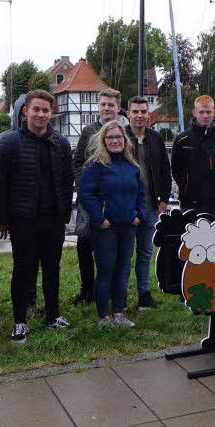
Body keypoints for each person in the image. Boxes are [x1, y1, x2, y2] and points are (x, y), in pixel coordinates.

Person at [0, 90, 74, 343]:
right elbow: (0, 183)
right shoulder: (9, 142)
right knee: (23, 270)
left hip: (52, 218)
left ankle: (53, 315)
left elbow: (67, 179)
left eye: (45, 110)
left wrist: (64, 213)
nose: (40, 114)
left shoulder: (60, 143)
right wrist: (3, 219)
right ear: (25, 111)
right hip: (23, 219)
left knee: (52, 269)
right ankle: (19, 322)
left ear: (52, 113)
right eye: (36, 109)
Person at [79, 121, 146, 327]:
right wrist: (100, 219)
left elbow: (141, 194)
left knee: (122, 269)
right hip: (105, 228)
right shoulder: (96, 165)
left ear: (125, 140)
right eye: (110, 138)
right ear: (103, 140)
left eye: (118, 137)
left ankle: (118, 311)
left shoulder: (132, 166)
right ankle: (104, 316)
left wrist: (139, 215)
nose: (115, 141)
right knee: (106, 269)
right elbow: (86, 194)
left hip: (128, 226)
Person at [71, 88, 124, 305]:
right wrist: (83, 186)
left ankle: (113, 291)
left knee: (113, 248)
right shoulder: (88, 131)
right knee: (84, 244)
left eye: (110, 105)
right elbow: (77, 161)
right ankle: (87, 290)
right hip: (89, 197)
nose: (106, 108)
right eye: (103, 104)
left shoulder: (124, 131)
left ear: (117, 107)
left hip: (114, 199)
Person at [125, 96, 171, 311]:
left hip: (150, 205)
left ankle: (144, 294)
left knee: (145, 253)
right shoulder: (120, 137)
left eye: (143, 111)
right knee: (124, 255)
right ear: (128, 113)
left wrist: (164, 198)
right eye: (136, 111)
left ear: (148, 114)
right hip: (126, 207)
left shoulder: (156, 138)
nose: (140, 115)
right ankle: (121, 296)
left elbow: (164, 170)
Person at [171, 95, 215, 215]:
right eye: (201, 112)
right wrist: (186, 186)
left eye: (208, 112)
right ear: (194, 112)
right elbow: (175, 170)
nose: (205, 116)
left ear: (214, 112)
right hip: (189, 202)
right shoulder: (182, 139)